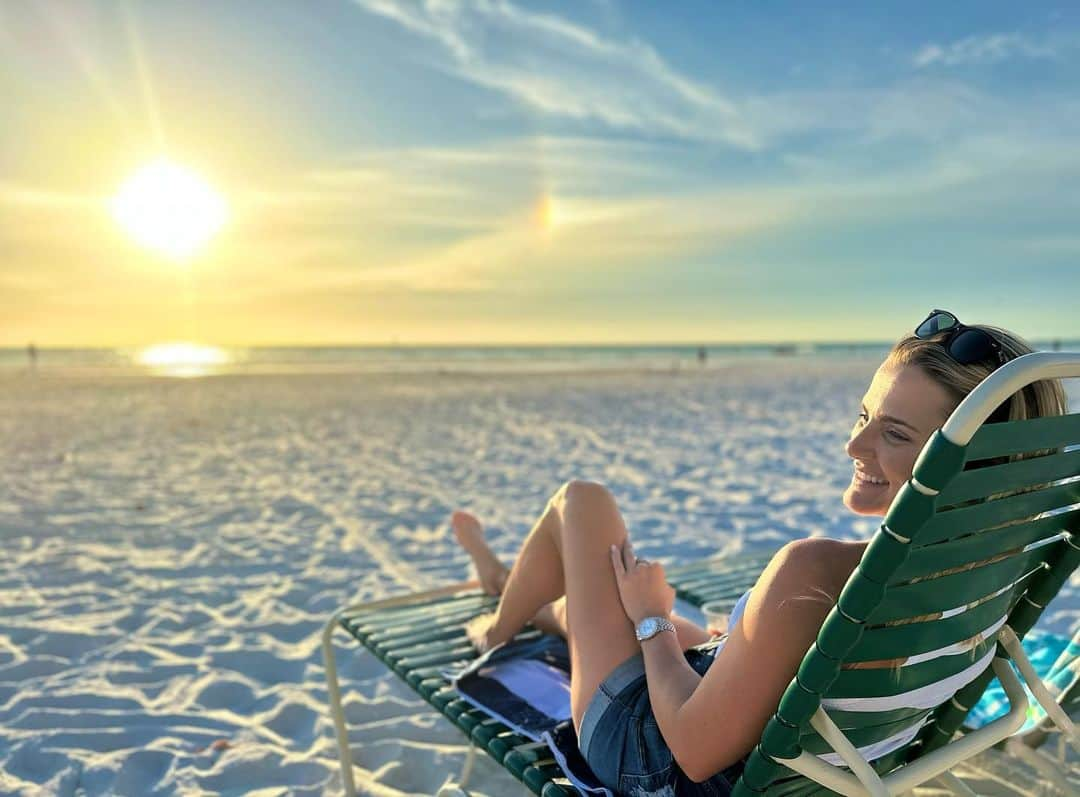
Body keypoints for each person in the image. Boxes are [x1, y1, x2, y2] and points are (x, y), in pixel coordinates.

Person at [449, 310, 1067, 795]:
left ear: (977, 465)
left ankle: (495, 624)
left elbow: (692, 751)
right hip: (806, 753)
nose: (855, 443)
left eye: (895, 433)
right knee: (620, 605)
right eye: (864, 415)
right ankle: (514, 588)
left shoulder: (817, 574)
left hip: (655, 760)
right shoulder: (1000, 568)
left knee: (582, 504)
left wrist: (653, 621)